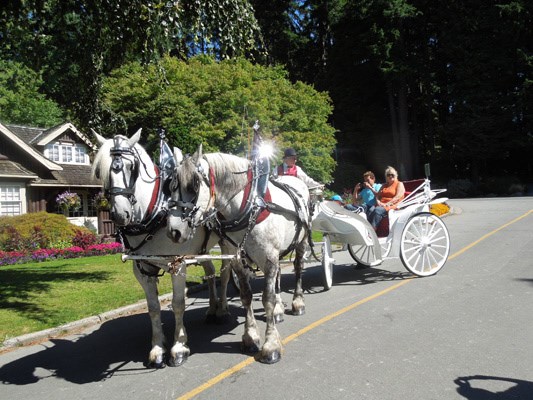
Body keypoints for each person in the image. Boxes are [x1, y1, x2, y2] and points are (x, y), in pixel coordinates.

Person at [367, 166, 405, 230]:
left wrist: (386, 204)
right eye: (388, 175)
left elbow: (397, 197)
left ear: (395, 175)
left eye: (392, 175)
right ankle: (368, 228)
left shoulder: (399, 184)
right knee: (370, 210)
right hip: (381, 204)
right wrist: (378, 201)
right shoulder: (384, 185)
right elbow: (378, 195)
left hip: (393, 205)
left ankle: (373, 230)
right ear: (386, 177)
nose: (390, 176)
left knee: (377, 210)